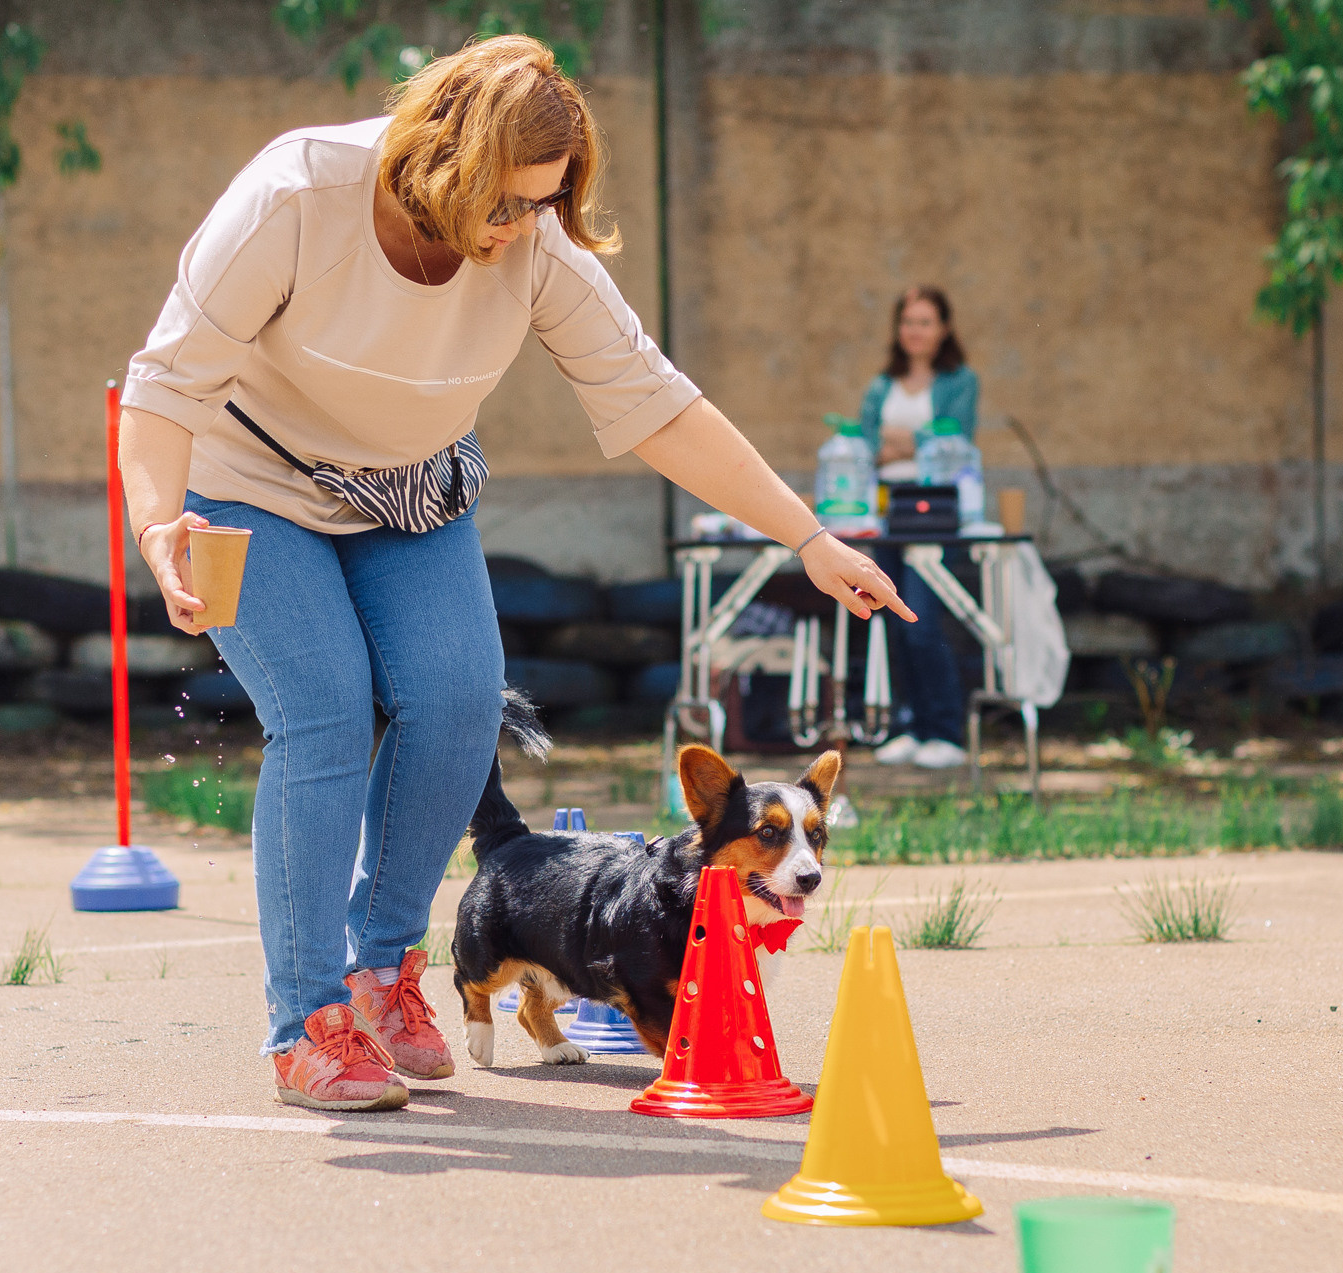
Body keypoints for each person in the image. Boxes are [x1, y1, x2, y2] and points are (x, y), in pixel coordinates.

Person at [118, 36, 912, 1112]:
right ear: (441, 160)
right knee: (324, 711)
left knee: (453, 704)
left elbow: (655, 400)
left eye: (541, 205)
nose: (518, 228)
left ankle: (381, 967)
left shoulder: (534, 247)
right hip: (248, 483)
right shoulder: (297, 193)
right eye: (506, 202)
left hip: (411, 486)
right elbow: (165, 381)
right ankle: (306, 1021)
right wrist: (159, 520)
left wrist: (807, 535)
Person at [857, 286, 980, 768]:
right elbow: (865, 446)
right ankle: (907, 726)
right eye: (909, 321)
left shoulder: (960, 380)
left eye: (926, 321)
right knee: (890, 620)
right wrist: (912, 442)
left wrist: (900, 442)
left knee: (923, 622)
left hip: (936, 512)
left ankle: (944, 730)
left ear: (944, 328)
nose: (916, 330)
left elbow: (956, 436)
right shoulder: (880, 384)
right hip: (885, 512)